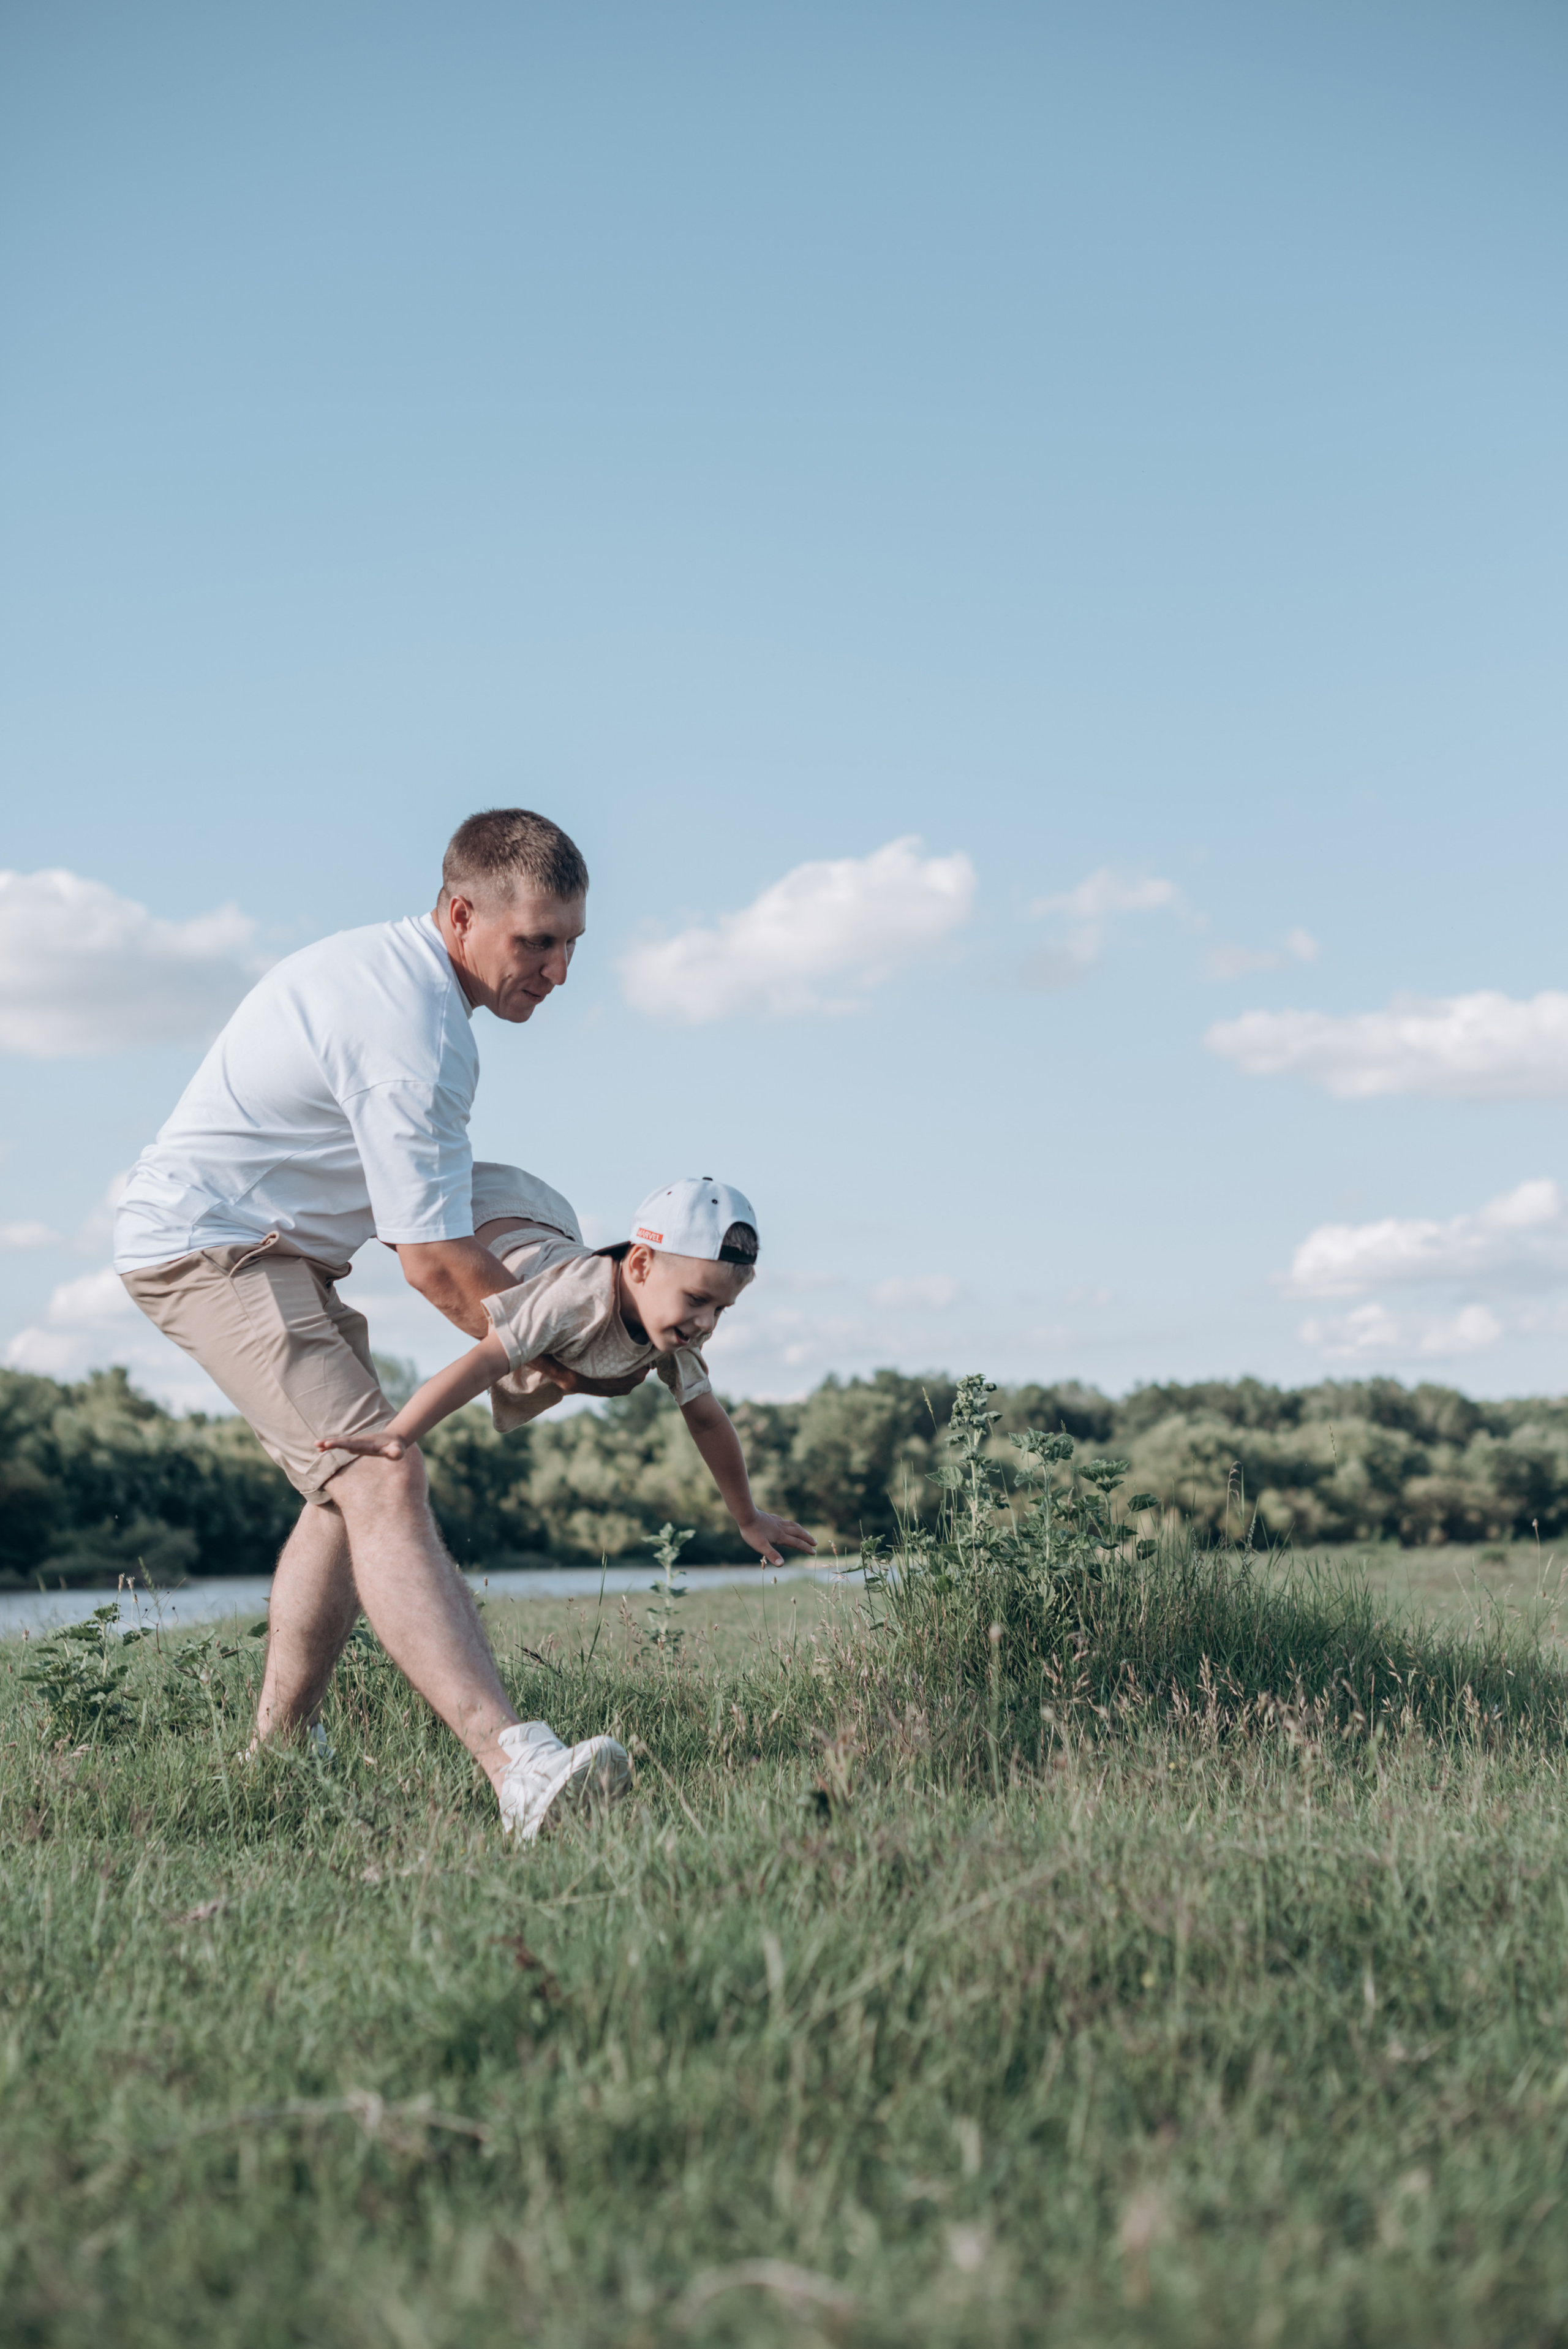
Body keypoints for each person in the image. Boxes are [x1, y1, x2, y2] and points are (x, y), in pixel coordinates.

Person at [114, 808, 644, 1839]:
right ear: (462, 915)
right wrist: (556, 1358)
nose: (558, 970)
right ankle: (516, 1765)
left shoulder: (403, 985)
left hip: (276, 1251)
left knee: (345, 1486)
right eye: (537, 940)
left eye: (572, 942)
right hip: (213, 1246)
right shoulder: (416, 1031)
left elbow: (452, 1216)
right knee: (382, 1473)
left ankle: (277, 1751)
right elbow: (433, 1260)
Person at [320, 1170, 816, 1572]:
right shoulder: (577, 1299)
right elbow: (484, 1362)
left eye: (721, 1309)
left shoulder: (679, 1330)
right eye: (697, 1300)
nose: (706, 1323)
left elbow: (707, 1419)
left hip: (546, 1221)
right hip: (484, 1207)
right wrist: (400, 1433)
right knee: (396, 1220)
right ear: (640, 1266)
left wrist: (747, 1516)